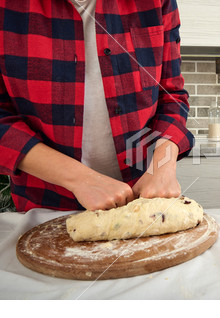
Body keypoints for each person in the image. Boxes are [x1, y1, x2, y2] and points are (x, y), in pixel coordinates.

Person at [0, 0, 194, 212]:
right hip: (46, 206)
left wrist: (162, 166)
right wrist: (81, 180)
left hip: (141, 202)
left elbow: (171, 96)